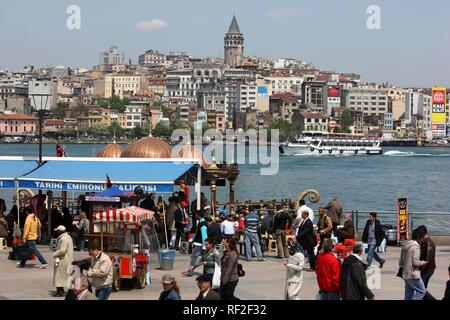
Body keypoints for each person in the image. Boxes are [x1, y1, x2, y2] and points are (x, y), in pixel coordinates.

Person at [399, 228, 428, 300]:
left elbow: (401, 261)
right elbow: (415, 263)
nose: (422, 240)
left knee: (408, 294)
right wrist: (423, 262)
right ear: (418, 237)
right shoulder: (416, 247)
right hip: (413, 274)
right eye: (422, 238)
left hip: (405, 273)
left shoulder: (406, 245)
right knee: (422, 291)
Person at [182, 212, 208, 277]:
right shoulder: (201, 223)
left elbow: (204, 235)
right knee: (204, 258)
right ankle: (204, 272)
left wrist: (204, 245)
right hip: (201, 243)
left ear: (198, 215)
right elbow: (197, 232)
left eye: (196, 214)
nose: (195, 216)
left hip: (200, 244)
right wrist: (192, 239)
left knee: (194, 257)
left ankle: (190, 271)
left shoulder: (202, 224)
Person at [52, 225, 74, 297]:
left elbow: (62, 250)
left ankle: (60, 291)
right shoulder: (67, 237)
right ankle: (60, 290)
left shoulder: (64, 238)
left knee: (59, 275)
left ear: (60, 231)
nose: (56, 232)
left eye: (57, 231)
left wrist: (54, 253)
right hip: (66, 259)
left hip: (62, 260)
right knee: (63, 276)